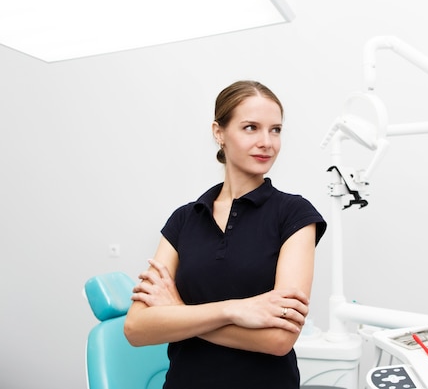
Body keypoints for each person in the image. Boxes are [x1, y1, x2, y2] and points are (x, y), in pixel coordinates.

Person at [124, 80, 327, 389]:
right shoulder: (183, 220)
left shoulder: (295, 215)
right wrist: (235, 310)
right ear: (219, 133)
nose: (267, 142)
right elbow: (137, 329)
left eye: (275, 130)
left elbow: (279, 339)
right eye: (250, 128)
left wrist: (178, 314)